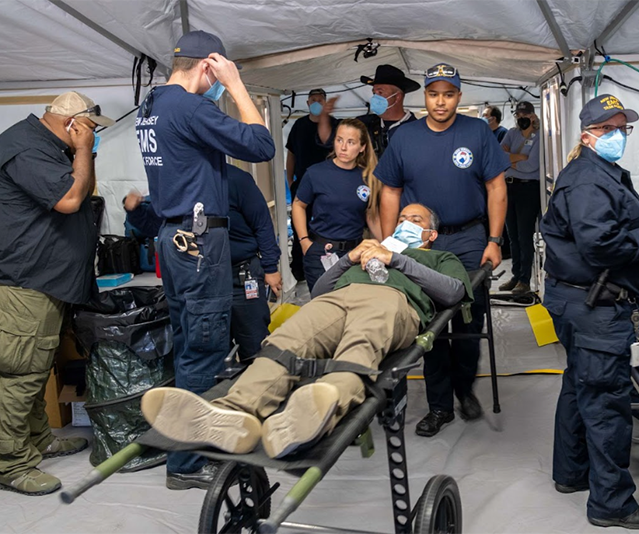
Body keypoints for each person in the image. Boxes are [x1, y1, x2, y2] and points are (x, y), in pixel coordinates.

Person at [140, 204, 472, 459]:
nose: (404, 223)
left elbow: (453, 292)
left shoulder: (439, 256)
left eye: (415, 220)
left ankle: (314, 413)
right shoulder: (367, 249)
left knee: (360, 346)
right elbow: (320, 291)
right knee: (285, 340)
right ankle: (234, 412)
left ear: (430, 235)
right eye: (401, 217)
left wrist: (397, 260)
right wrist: (349, 259)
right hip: (338, 297)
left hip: (393, 301)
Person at [0, 91, 114, 495]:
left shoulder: (46, 148)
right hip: (14, 284)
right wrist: (84, 150)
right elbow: (70, 199)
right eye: (90, 128)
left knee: (34, 368)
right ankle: (13, 466)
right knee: (14, 376)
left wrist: (81, 153)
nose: (92, 137)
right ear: (73, 123)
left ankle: (37, 440)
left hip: (37, 282)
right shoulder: (23, 147)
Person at [135, 30, 276, 490]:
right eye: (219, 71)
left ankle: (181, 450)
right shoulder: (190, 106)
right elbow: (261, 145)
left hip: (172, 237)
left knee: (187, 344)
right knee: (206, 347)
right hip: (198, 245)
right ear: (208, 65)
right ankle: (187, 465)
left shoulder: (151, 106)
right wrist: (235, 86)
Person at [539, 94, 639, 529]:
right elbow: (600, 245)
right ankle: (611, 503)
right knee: (606, 402)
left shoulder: (595, 173)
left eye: (623, 129)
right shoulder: (590, 181)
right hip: (593, 305)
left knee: (580, 386)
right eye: (610, 129)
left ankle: (571, 473)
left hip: (576, 299)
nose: (619, 136)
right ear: (589, 135)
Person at [376, 63, 508, 437]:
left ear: (458, 98)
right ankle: (439, 406)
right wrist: (391, 245)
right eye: (434, 94)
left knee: (468, 318)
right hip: (420, 241)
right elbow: (390, 191)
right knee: (430, 321)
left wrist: (495, 241)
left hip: (469, 238)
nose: (440, 102)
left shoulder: (478, 132)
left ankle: (464, 389)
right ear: (425, 96)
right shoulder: (405, 138)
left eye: (448, 94)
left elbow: (497, 187)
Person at [124, 163, 283, 361]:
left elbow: (263, 224)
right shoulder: (176, 184)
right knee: (211, 352)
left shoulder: (235, 179)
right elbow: (158, 227)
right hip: (200, 281)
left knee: (254, 346)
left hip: (241, 275)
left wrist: (270, 267)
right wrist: (135, 210)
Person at [293, 119, 380, 292]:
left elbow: (371, 216)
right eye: (339, 140)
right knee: (323, 309)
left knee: (353, 307)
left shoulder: (368, 177)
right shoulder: (316, 173)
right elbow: (298, 205)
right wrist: (304, 242)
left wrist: (385, 245)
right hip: (321, 252)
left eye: (351, 142)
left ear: (362, 147)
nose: (343, 147)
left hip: (355, 253)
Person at [317, 64, 420, 157]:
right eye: (374, 93)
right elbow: (328, 138)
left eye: (380, 92)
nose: (375, 98)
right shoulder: (366, 124)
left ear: (397, 97)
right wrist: (324, 114)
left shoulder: (418, 131)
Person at [286, 88, 335, 283]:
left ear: (325, 102)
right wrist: (291, 181)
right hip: (302, 185)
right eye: (312, 100)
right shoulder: (299, 125)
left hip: (328, 187)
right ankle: (299, 269)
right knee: (301, 228)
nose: (316, 102)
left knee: (326, 227)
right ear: (307, 103)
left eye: (320, 100)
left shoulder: (333, 125)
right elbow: (291, 155)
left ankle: (328, 266)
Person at [498, 101, 542, 295]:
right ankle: (516, 275)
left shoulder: (540, 136)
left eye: (525, 115)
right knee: (512, 235)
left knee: (525, 236)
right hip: (510, 187)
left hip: (528, 189)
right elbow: (499, 156)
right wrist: (518, 158)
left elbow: (531, 165)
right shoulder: (511, 133)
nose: (521, 118)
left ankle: (525, 279)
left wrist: (511, 159)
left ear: (533, 116)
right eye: (518, 115)